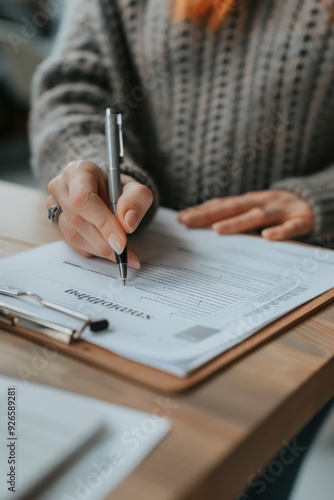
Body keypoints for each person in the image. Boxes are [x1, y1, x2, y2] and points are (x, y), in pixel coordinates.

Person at [29, 0, 334, 498]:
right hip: (137, 262)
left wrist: (323, 195)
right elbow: (72, 90)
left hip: (297, 295)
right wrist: (91, 165)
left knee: (252, 474)